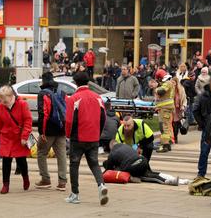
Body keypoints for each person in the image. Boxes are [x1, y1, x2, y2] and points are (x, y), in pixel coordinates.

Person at [65, 72, 108, 205]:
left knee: (74, 164)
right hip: (93, 137)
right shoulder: (98, 98)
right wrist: (98, 133)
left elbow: (69, 121)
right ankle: (101, 185)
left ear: (75, 83)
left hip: (78, 138)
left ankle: (75, 194)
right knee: (94, 163)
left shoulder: (74, 98)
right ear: (88, 82)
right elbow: (103, 117)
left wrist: (68, 135)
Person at [0, 85, 32, 194]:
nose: (3, 103)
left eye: (4, 101)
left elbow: (28, 121)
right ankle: (5, 185)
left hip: (19, 137)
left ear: (11, 96)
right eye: (1, 100)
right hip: (6, 137)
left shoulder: (22, 104)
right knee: (6, 161)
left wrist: (24, 137)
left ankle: (25, 178)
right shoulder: (1, 106)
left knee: (21, 161)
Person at [35, 72, 67, 191]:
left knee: (41, 153)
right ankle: (62, 182)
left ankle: (45, 179)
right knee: (61, 155)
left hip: (48, 130)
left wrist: (41, 132)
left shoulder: (43, 94)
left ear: (43, 81)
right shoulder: (62, 92)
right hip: (61, 129)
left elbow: (43, 114)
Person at [103, 142, 179, 186]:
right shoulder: (125, 146)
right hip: (143, 160)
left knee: (145, 177)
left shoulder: (112, 153)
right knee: (150, 174)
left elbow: (107, 171)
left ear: (111, 148)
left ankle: (166, 182)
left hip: (133, 166)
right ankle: (169, 180)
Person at [193, 76, 211, 178]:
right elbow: (195, 110)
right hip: (209, 127)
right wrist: (202, 124)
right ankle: (201, 173)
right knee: (205, 152)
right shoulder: (203, 96)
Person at [154, 75, 175, 152]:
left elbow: (161, 91)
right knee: (167, 126)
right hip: (166, 108)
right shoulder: (171, 84)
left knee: (164, 127)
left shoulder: (168, 83)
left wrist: (156, 88)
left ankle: (165, 146)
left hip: (165, 108)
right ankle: (167, 145)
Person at [171, 77, 187, 144]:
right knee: (172, 124)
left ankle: (175, 136)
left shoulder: (181, 89)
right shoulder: (170, 89)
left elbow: (184, 98)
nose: (173, 84)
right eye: (172, 82)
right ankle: (172, 137)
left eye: (174, 82)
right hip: (172, 109)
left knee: (176, 124)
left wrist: (183, 106)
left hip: (178, 109)